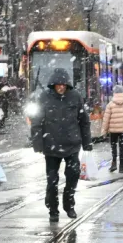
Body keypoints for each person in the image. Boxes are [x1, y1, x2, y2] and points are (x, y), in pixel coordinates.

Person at [30, 68, 92, 222]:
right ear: (53, 85)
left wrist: (87, 143)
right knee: (52, 181)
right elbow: (37, 122)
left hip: (72, 145)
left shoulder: (75, 97)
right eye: (58, 85)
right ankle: (53, 209)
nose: (61, 87)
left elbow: (84, 121)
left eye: (64, 85)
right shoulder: (44, 97)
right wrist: (37, 143)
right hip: (51, 146)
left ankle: (69, 204)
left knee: (73, 176)